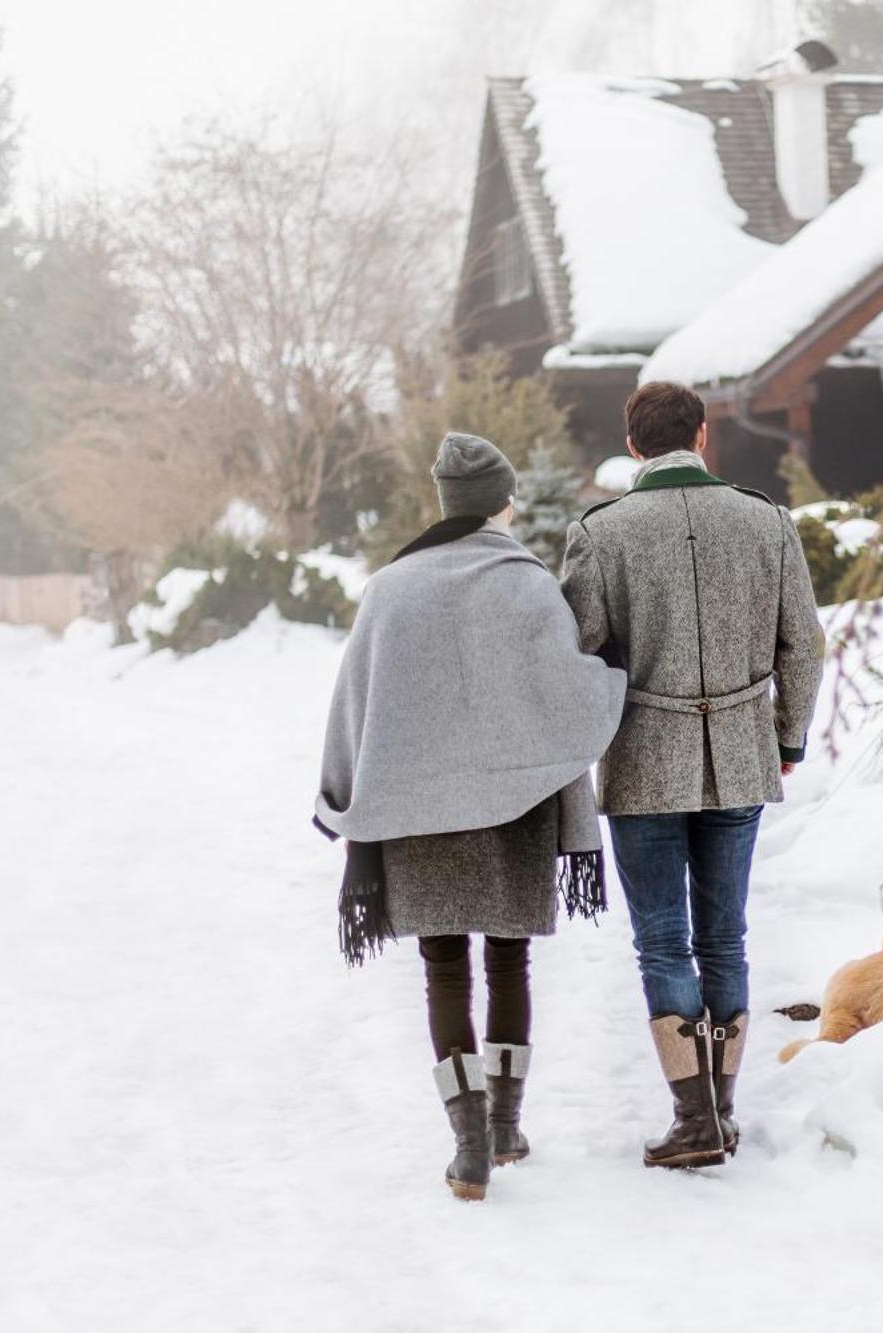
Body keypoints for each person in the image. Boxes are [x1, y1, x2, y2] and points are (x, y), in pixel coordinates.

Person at [314, 432, 625, 1201]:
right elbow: (566, 693)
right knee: (509, 963)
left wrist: (349, 796)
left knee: (443, 972)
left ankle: (469, 1142)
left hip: (416, 813)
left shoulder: (388, 590)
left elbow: (353, 706)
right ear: (503, 503)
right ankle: (506, 1123)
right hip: (513, 809)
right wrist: (613, 676)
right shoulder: (525, 584)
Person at [561, 382, 823, 1169]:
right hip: (743, 752)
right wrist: (788, 736)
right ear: (703, 437)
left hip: (643, 759)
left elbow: (577, 654)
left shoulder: (599, 533)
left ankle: (694, 1115)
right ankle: (723, 1109)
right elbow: (804, 646)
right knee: (724, 935)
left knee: (663, 942)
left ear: (634, 446)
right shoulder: (767, 521)